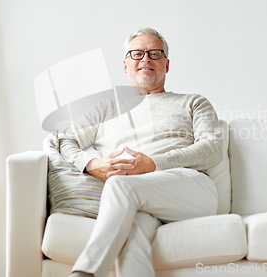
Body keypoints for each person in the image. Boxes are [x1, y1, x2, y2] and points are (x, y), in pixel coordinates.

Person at [61, 28, 223, 277]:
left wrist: (153, 163)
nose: (145, 59)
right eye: (136, 54)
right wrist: (92, 163)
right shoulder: (104, 109)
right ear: (125, 65)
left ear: (166, 65)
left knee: (118, 185)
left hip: (190, 188)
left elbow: (212, 149)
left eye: (154, 53)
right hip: (137, 198)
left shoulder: (193, 102)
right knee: (132, 234)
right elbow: (61, 141)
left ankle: (86, 272)